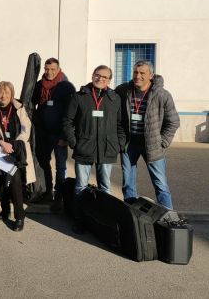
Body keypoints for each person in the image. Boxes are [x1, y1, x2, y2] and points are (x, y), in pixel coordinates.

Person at [63, 65, 125, 233]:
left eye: (104, 77)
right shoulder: (79, 96)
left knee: (105, 187)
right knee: (80, 186)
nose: (100, 79)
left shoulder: (115, 99)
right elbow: (67, 121)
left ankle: (103, 221)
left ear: (109, 80)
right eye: (97, 75)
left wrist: (119, 144)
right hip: (84, 149)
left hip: (107, 150)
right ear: (92, 76)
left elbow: (120, 124)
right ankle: (79, 219)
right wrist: (74, 142)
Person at [116, 61, 180, 209]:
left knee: (160, 184)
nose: (137, 76)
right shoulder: (124, 90)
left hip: (152, 144)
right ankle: (132, 216)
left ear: (151, 75)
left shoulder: (162, 95)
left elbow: (173, 122)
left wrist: (162, 143)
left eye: (142, 73)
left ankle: (167, 218)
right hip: (129, 143)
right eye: (135, 72)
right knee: (128, 183)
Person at [0, 81, 36, 232]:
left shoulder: (19, 109)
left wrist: (14, 144)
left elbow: (26, 128)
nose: (3, 96)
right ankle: (5, 211)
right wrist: (1, 142)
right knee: (0, 184)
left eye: (7, 93)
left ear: (11, 94)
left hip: (16, 151)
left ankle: (20, 217)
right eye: (1, 92)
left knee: (15, 184)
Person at [31, 58, 76, 210]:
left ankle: (59, 196)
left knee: (60, 166)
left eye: (52, 69)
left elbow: (72, 113)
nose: (49, 73)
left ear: (59, 69)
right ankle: (47, 191)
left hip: (59, 134)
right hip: (43, 132)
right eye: (46, 69)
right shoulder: (39, 84)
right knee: (43, 162)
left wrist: (65, 136)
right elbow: (33, 104)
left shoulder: (66, 86)